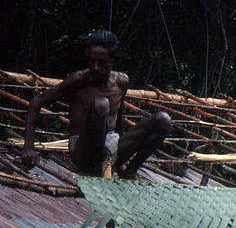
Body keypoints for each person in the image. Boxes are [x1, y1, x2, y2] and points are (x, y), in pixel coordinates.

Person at [21, 29, 171, 179]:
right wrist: (28, 147)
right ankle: (100, 166)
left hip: (110, 146)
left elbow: (117, 118)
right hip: (83, 151)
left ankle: (131, 171)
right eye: (91, 61)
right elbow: (36, 102)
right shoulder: (79, 80)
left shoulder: (121, 81)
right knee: (101, 105)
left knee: (163, 120)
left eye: (102, 63)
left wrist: (120, 160)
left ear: (114, 61)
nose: (95, 68)